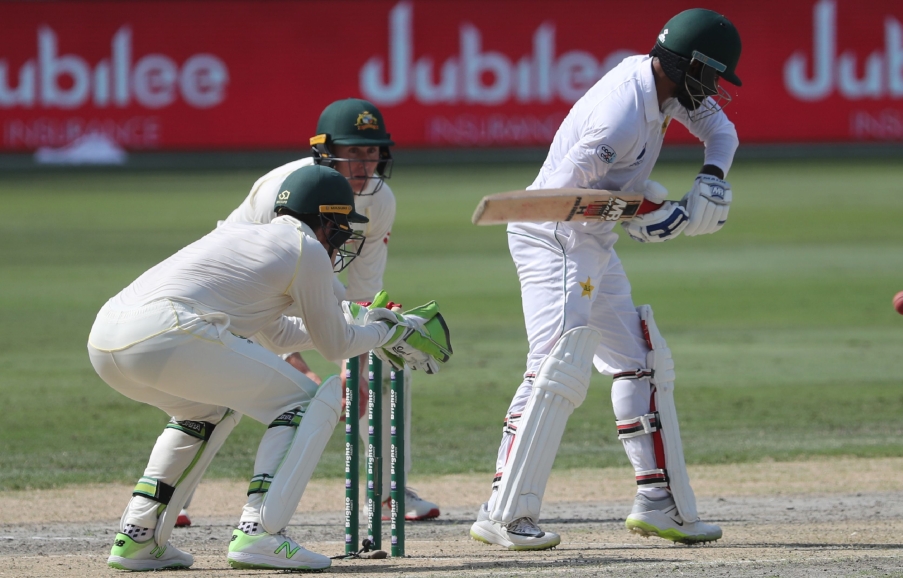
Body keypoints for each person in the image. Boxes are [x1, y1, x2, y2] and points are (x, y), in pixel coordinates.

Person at [470, 8, 743, 550]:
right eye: (709, 76)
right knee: (556, 366)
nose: (712, 90)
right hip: (552, 239)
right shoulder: (619, 117)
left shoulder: (667, 88)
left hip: (592, 238)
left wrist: (709, 179)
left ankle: (658, 503)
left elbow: (721, 131)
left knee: (641, 363)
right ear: (686, 65)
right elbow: (555, 200)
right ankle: (502, 513)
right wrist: (643, 211)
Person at [89, 166, 424, 570]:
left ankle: (138, 537)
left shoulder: (245, 237)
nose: (342, 240)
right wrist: (386, 331)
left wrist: (365, 327)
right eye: (341, 228)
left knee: (206, 411)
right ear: (327, 223)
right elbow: (335, 343)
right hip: (170, 332)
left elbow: (280, 336)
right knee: (305, 404)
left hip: (107, 338)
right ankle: (260, 533)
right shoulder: (307, 250)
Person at [222, 97, 440, 521]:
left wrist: (352, 366)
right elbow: (266, 288)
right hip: (237, 297)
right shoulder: (284, 192)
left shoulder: (379, 200)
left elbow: (363, 293)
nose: (364, 165)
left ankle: (389, 489)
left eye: (372, 152)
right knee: (222, 395)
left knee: (384, 365)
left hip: (310, 292)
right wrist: (295, 360)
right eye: (353, 153)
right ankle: (165, 504)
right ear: (324, 152)